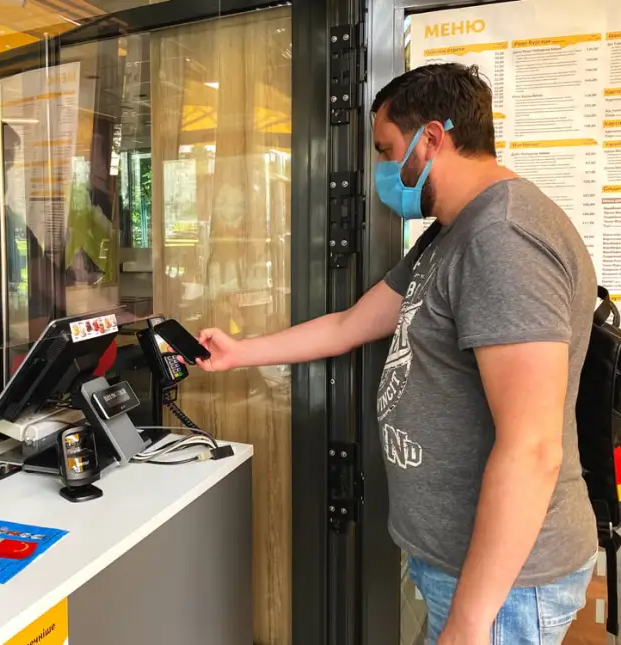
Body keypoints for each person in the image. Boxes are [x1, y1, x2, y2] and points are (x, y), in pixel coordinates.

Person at [197, 63, 598, 645]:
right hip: (463, 568)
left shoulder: (503, 238)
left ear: (431, 139)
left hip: (505, 587)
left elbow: (532, 449)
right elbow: (350, 325)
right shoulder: (453, 232)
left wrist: (469, 622)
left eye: (387, 150)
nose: (383, 170)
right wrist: (241, 353)